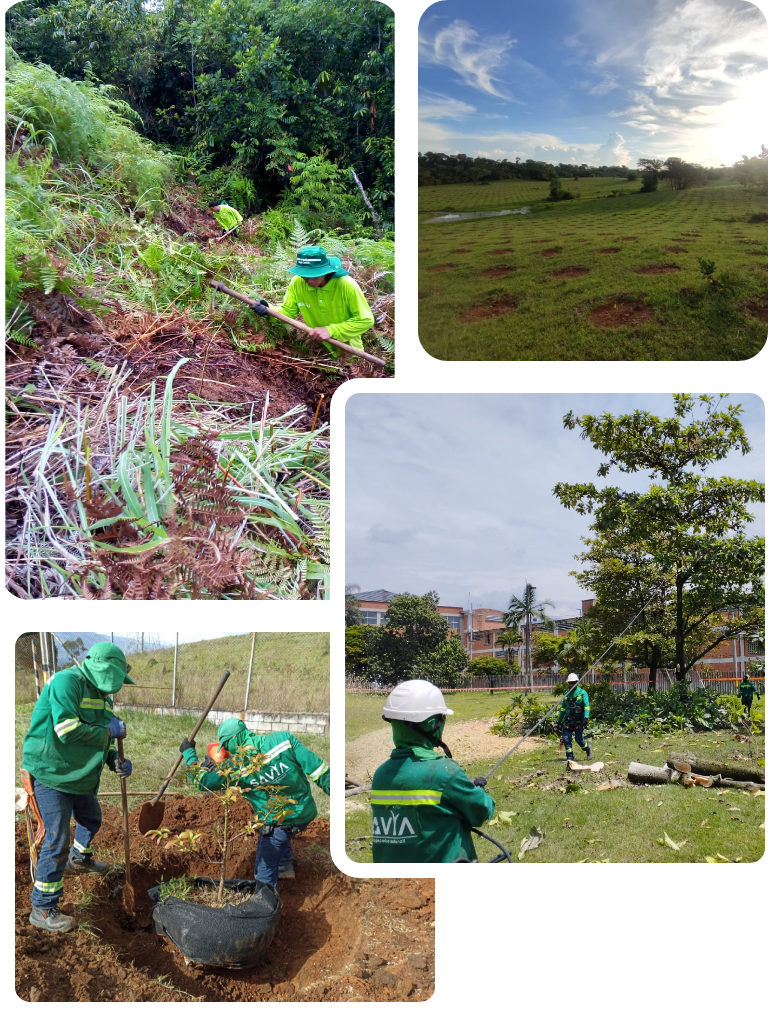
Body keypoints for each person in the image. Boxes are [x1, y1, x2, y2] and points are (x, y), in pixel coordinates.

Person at [21, 642, 134, 933]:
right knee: (56, 840)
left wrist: (115, 760)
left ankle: (79, 859)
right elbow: (67, 729)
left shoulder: (104, 698)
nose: (114, 690)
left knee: (91, 818)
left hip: (80, 775)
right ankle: (43, 907)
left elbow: (102, 739)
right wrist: (108, 731)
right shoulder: (66, 682)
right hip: (53, 772)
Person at [180, 718, 330, 887]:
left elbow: (203, 781)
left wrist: (189, 755)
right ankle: (284, 864)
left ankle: (266, 906)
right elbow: (319, 770)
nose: (227, 751)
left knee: (264, 872)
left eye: (226, 746)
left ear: (233, 741)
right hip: (306, 813)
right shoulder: (284, 740)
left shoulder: (237, 768)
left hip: (282, 824)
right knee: (279, 826)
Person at [370, 680, 495, 862]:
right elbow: (481, 810)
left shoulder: (380, 774)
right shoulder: (445, 772)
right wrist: (479, 792)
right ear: (431, 724)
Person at [251, 245, 374, 360]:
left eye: (314, 275)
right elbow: (288, 311)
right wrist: (269, 310)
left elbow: (365, 320)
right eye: (305, 275)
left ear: (325, 270)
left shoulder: (346, 285)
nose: (309, 280)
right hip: (318, 352)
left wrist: (331, 331)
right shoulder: (298, 283)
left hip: (350, 354)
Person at [557, 673, 593, 762]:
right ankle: (570, 758)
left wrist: (586, 718)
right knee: (566, 739)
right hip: (568, 720)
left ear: (577, 682)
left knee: (579, 739)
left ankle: (588, 749)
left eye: (573, 683)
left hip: (579, 720)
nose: (571, 684)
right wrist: (559, 721)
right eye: (570, 683)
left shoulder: (582, 693)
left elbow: (586, 706)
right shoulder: (566, 694)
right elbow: (563, 709)